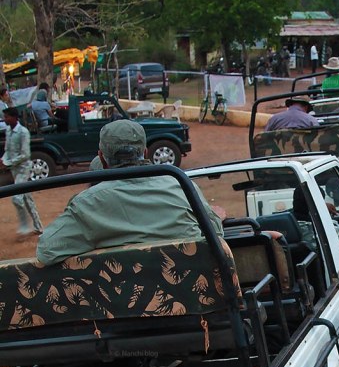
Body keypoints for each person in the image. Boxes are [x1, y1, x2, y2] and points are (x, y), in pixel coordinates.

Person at [37, 120, 224, 265]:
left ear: (102, 158)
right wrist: (215, 215)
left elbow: (47, 251)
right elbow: (215, 233)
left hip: (124, 309)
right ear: (145, 151)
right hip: (190, 305)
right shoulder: (182, 186)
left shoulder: (87, 204)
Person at [1, 107, 43, 238]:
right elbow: (7, 149)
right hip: (15, 169)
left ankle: (25, 226)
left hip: (23, 168)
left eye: (7, 117)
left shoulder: (23, 132)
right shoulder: (8, 131)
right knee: (26, 198)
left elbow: (25, 155)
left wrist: (8, 162)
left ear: (14, 118)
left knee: (17, 198)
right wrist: (3, 159)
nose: (5, 119)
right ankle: (39, 226)